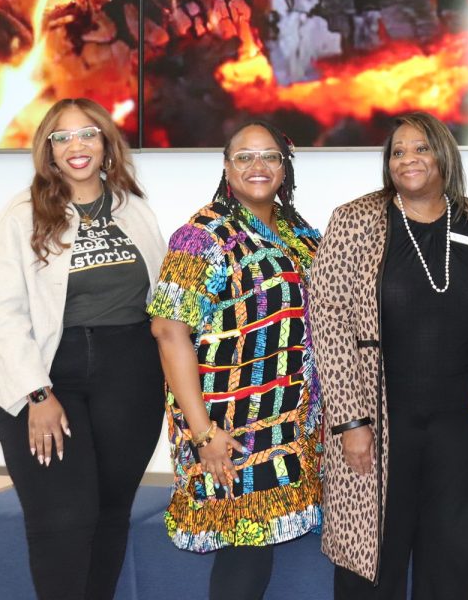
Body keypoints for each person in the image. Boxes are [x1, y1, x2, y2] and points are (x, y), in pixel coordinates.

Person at [310, 111, 468, 599]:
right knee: (371, 565)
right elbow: (328, 319)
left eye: (420, 148)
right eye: (397, 151)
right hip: (378, 426)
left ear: (443, 154)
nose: (408, 159)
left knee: (454, 566)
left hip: (467, 431)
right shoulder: (355, 220)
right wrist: (350, 421)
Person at [0, 98, 166, 600]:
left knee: (109, 512)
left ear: (106, 143)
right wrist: (37, 395)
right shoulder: (23, 214)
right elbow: (1, 312)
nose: (76, 146)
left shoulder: (133, 207)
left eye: (88, 134)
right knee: (63, 518)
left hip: (131, 375)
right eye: (62, 137)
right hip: (47, 375)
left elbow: (164, 300)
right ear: (49, 151)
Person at [148, 121, 323, 600]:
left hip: (289, 428)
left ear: (285, 168)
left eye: (269, 156)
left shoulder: (299, 232)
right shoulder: (200, 237)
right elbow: (168, 332)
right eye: (244, 156)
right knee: (244, 556)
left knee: (258, 552)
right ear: (226, 168)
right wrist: (203, 433)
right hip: (229, 430)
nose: (258, 166)